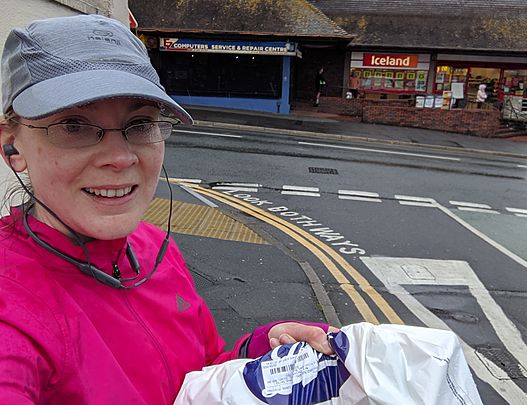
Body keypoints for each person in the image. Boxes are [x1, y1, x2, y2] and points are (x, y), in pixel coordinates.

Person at [0, 15, 337, 404]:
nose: (120, 157)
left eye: (140, 123)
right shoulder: (14, 306)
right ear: (12, 146)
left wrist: (257, 356)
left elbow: (202, 377)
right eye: (74, 126)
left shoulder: (154, 248)